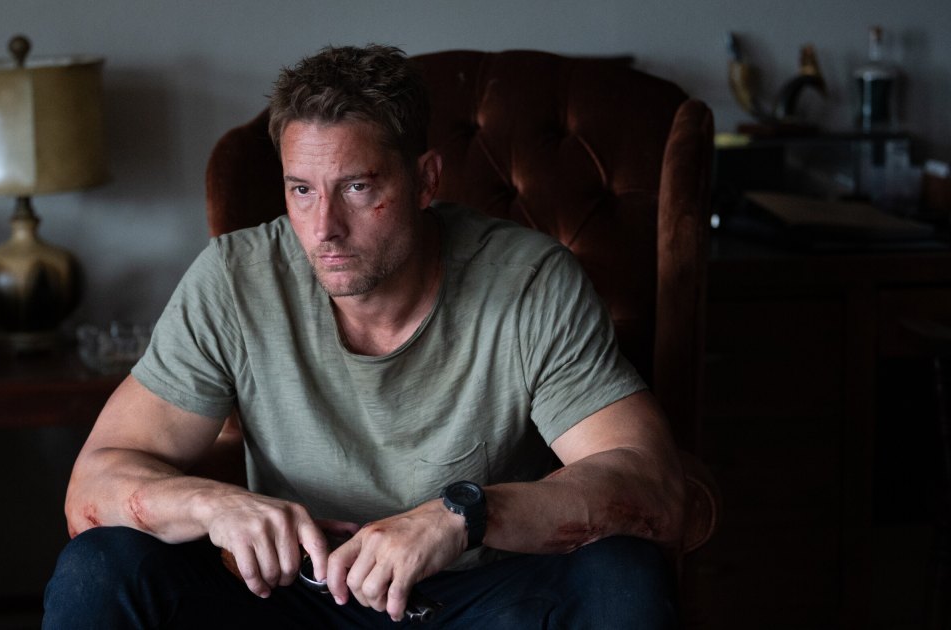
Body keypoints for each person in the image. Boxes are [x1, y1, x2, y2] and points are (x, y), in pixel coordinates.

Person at [44, 44, 685, 629]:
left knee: (622, 574)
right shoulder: (235, 279)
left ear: (426, 180)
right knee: (101, 564)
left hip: (480, 597)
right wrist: (214, 506)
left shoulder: (529, 283)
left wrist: (464, 515)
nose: (324, 227)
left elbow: (649, 483)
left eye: (357, 187)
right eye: (302, 190)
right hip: (294, 597)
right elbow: (93, 486)